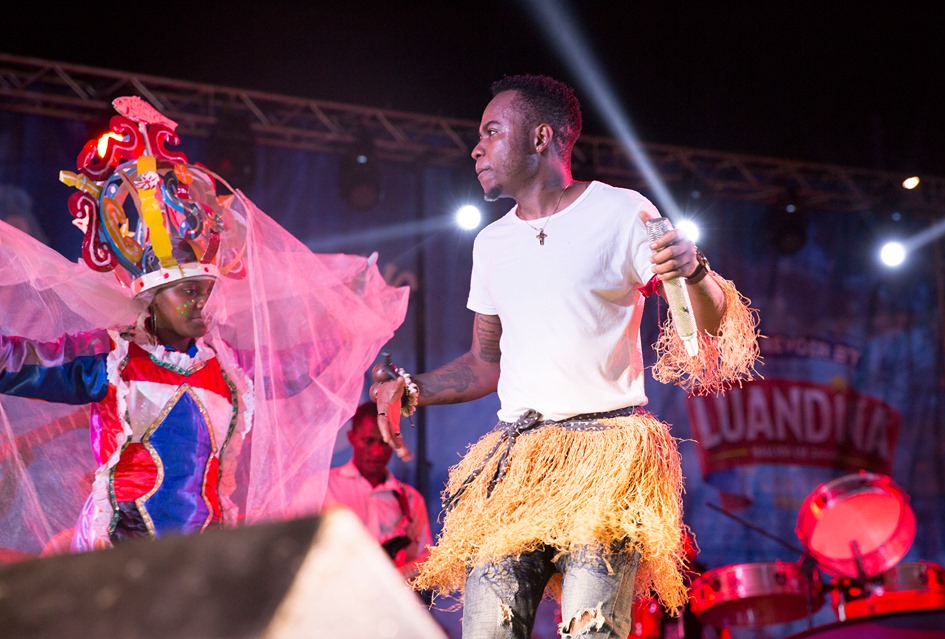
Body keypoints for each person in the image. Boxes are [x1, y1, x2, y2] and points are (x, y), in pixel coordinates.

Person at [372, 75, 759, 639]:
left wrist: (695, 272)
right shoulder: (492, 243)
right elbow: (485, 362)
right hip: (518, 465)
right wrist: (413, 388)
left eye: (492, 131)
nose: (475, 147)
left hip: (606, 460)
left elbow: (707, 325)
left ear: (541, 137)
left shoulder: (622, 212)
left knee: (591, 630)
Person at [0, 96, 407, 554]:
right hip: (116, 559)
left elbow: (293, 368)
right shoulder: (113, 360)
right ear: (151, 298)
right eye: (187, 291)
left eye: (205, 290)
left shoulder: (228, 370)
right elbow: (16, 362)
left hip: (203, 561)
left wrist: (352, 322)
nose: (201, 302)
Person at [324, 401, 431, 580]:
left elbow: (424, 559)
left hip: (389, 602)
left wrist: (399, 575)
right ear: (351, 438)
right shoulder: (325, 487)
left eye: (384, 443)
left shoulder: (411, 499)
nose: (377, 452)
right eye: (368, 441)